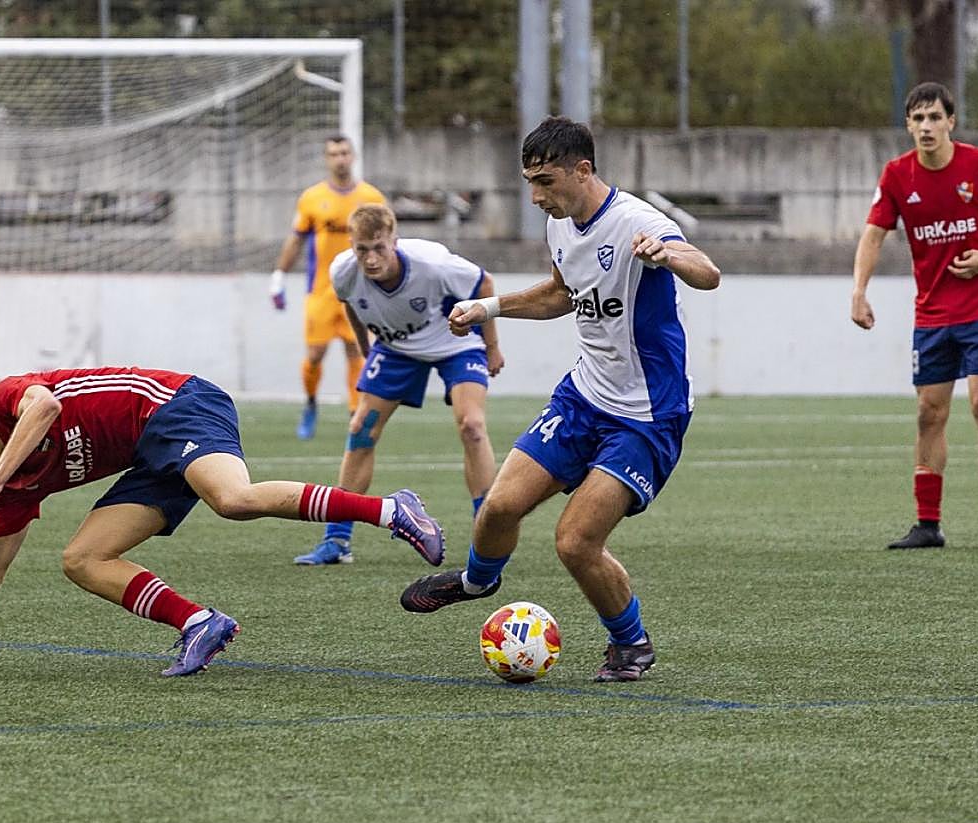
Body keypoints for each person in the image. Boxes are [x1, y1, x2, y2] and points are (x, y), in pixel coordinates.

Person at [398, 116, 720, 682]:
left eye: (545, 181)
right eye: (530, 181)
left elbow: (707, 271)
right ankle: (477, 581)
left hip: (646, 415)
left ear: (583, 169)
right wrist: (487, 310)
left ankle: (631, 644)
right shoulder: (561, 226)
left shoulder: (636, 221)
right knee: (499, 506)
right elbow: (560, 295)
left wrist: (667, 256)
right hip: (583, 396)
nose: (535, 195)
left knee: (574, 542)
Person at [0, 367, 444, 677]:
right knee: (81, 559)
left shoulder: (5, 402)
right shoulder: (18, 488)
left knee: (232, 500)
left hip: (178, 407)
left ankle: (391, 510)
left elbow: (45, 408)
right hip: (151, 457)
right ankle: (198, 623)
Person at [293, 203, 505, 566]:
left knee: (472, 426)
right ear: (352, 245)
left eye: (379, 248)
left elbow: (484, 284)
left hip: (455, 341)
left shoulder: (432, 263)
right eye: (362, 249)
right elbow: (350, 306)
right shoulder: (344, 270)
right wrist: (365, 350)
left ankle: (489, 536)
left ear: (394, 241)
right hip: (396, 348)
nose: (371, 259)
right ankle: (337, 541)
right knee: (360, 430)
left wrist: (492, 346)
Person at [851, 82, 978, 550]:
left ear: (951, 121)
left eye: (935, 117)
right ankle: (928, 524)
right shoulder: (897, 175)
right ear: (908, 126)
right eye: (918, 119)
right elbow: (873, 236)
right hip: (932, 315)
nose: (927, 127)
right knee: (928, 413)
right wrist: (859, 291)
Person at [270, 135, 387, 441]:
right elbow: (296, 238)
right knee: (315, 353)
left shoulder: (371, 197)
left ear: (354, 156)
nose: (340, 158)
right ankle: (310, 403)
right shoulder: (311, 198)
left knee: (357, 350)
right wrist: (279, 275)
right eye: (334, 153)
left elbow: (388, 242)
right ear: (327, 158)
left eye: (345, 152)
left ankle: (354, 411)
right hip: (322, 291)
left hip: (361, 290)